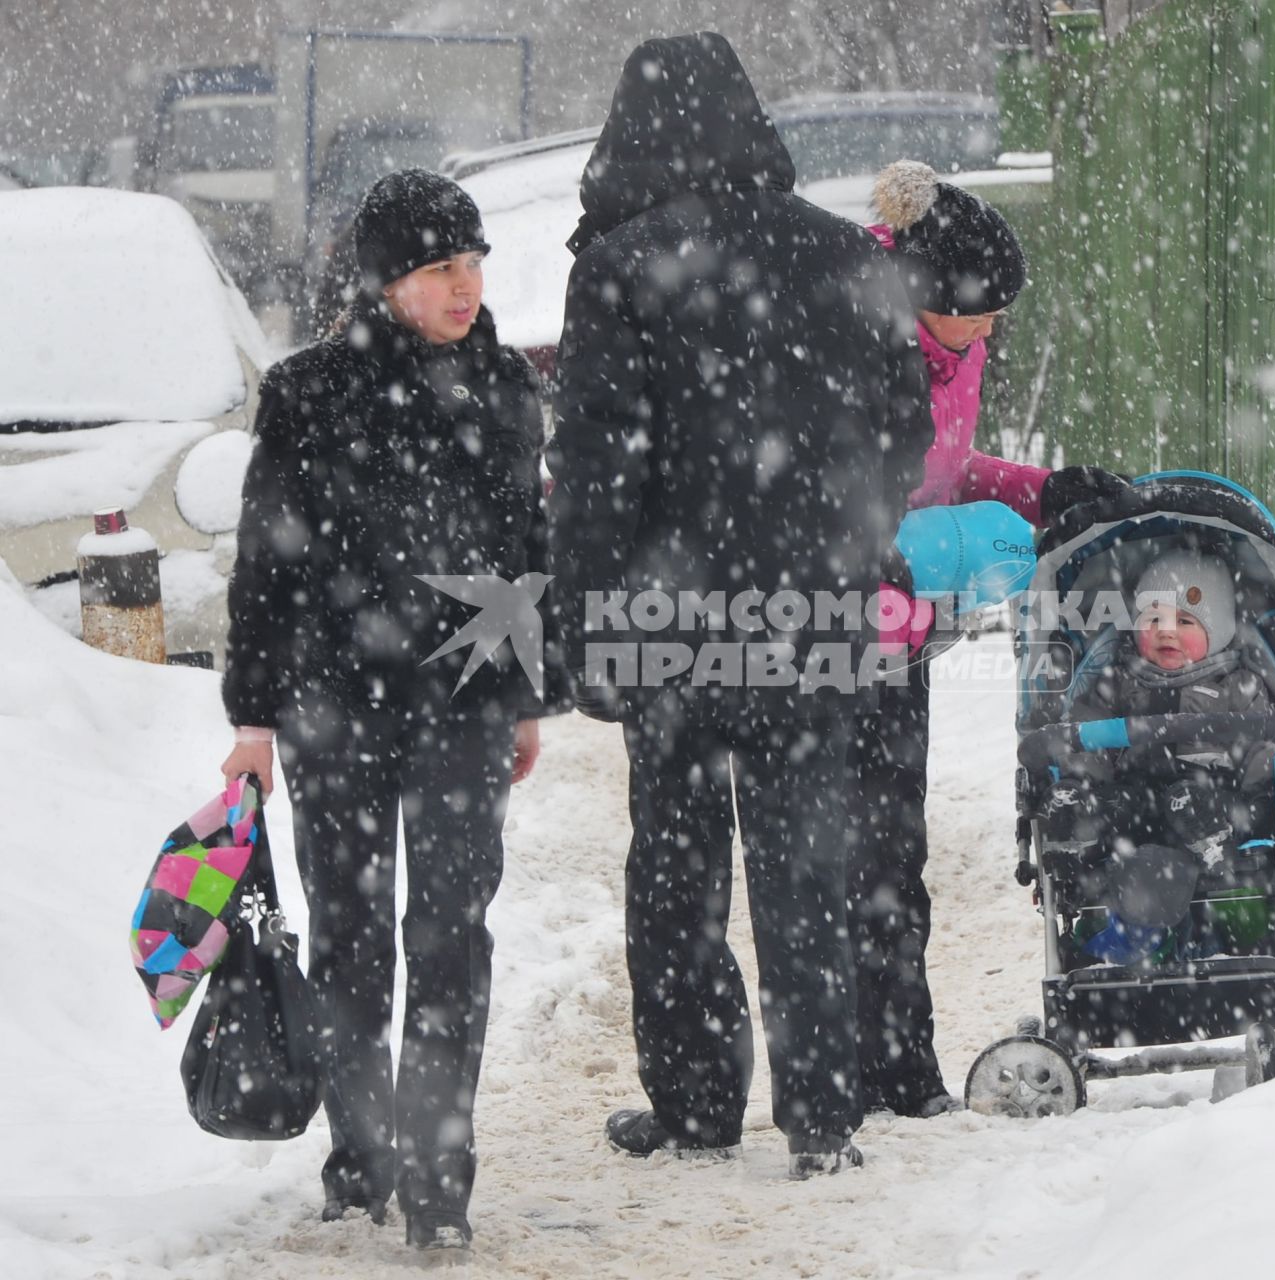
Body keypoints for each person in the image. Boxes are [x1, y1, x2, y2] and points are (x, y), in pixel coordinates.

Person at [547, 33, 935, 1178]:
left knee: (674, 862)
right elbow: (904, 429)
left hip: (669, 621)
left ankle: (696, 1098)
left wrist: (587, 625)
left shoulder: (619, 267)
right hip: (811, 611)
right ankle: (821, 1111)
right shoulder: (838, 253)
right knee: (805, 857)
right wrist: (845, 544)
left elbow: (596, 471)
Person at [219, 168, 566, 1252]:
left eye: (472, 263)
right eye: (437, 268)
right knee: (354, 938)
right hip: (336, 709)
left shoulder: (506, 387)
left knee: (451, 933)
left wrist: (520, 697)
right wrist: (255, 718)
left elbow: (525, 556)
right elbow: (265, 568)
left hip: (461, 704)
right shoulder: (309, 391)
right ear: (385, 283)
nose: (464, 285)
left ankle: (438, 1173)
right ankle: (360, 1151)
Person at [850, 160, 1129, 1117]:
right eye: (982, 313)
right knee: (833, 849)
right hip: (839, 617)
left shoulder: (952, 341)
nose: (991, 331)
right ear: (929, 297)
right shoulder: (857, 335)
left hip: (907, 624)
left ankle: (900, 1066)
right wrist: (888, 556)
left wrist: (1040, 489)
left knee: (893, 846)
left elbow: (952, 467)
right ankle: (837, 1070)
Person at [1032, 548, 1275, 963]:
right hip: (1135, 802)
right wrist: (1079, 778)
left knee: (1202, 801)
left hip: (1213, 797)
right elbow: (1087, 737)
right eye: (1153, 619)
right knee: (1113, 806)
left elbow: (1261, 750)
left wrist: (1266, 790)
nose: (1167, 631)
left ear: (1218, 629)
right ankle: (1081, 826)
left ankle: (1207, 841)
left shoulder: (1237, 688)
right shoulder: (1119, 680)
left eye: (1185, 621)